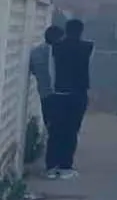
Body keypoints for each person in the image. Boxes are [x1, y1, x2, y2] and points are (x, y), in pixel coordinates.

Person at [50, 19, 93, 180]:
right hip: (78, 93)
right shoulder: (88, 47)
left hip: (60, 92)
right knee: (71, 131)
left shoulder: (56, 48)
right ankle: (65, 166)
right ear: (81, 31)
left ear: (66, 31)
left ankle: (52, 165)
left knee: (56, 130)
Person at [29, 25, 64, 178]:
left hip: (44, 95)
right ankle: (55, 163)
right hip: (59, 95)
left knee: (51, 128)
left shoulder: (35, 52)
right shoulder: (60, 53)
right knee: (60, 130)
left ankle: (52, 162)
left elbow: (33, 70)